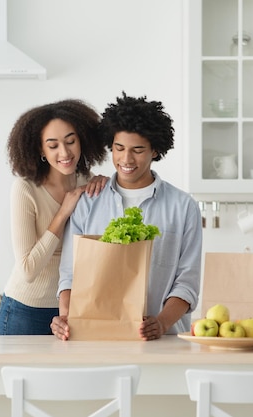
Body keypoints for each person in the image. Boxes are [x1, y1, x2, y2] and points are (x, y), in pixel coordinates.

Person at [51, 92, 202, 341]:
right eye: (119, 149)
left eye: (138, 150)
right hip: (97, 339)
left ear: (155, 150)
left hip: (165, 341)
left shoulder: (183, 206)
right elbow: (69, 274)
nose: (126, 159)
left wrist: (162, 323)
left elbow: (188, 281)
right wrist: (65, 317)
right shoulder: (88, 203)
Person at [0, 99, 108, 335]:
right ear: (40, 150)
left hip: (74, 310)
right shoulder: (25, 189)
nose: (65, 152)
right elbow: (28, 270)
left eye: (70, 141)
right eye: (53, 145)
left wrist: (108, 190)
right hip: (26, 311)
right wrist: (63, 212)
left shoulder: (89, 183)